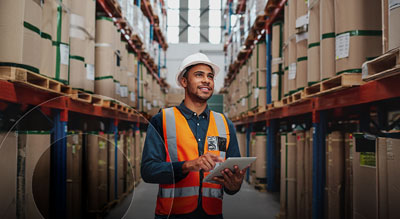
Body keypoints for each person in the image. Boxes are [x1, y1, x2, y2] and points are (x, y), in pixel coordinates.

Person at [141, 53, 247, 219]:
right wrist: (187, 166)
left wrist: (234, 185)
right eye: (199, 75)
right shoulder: (162, 120)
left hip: (212, 215)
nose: (206, 80)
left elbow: (232, 179)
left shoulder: (225, 124)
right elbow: (148, 171)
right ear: (184, 81)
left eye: (210, 76)